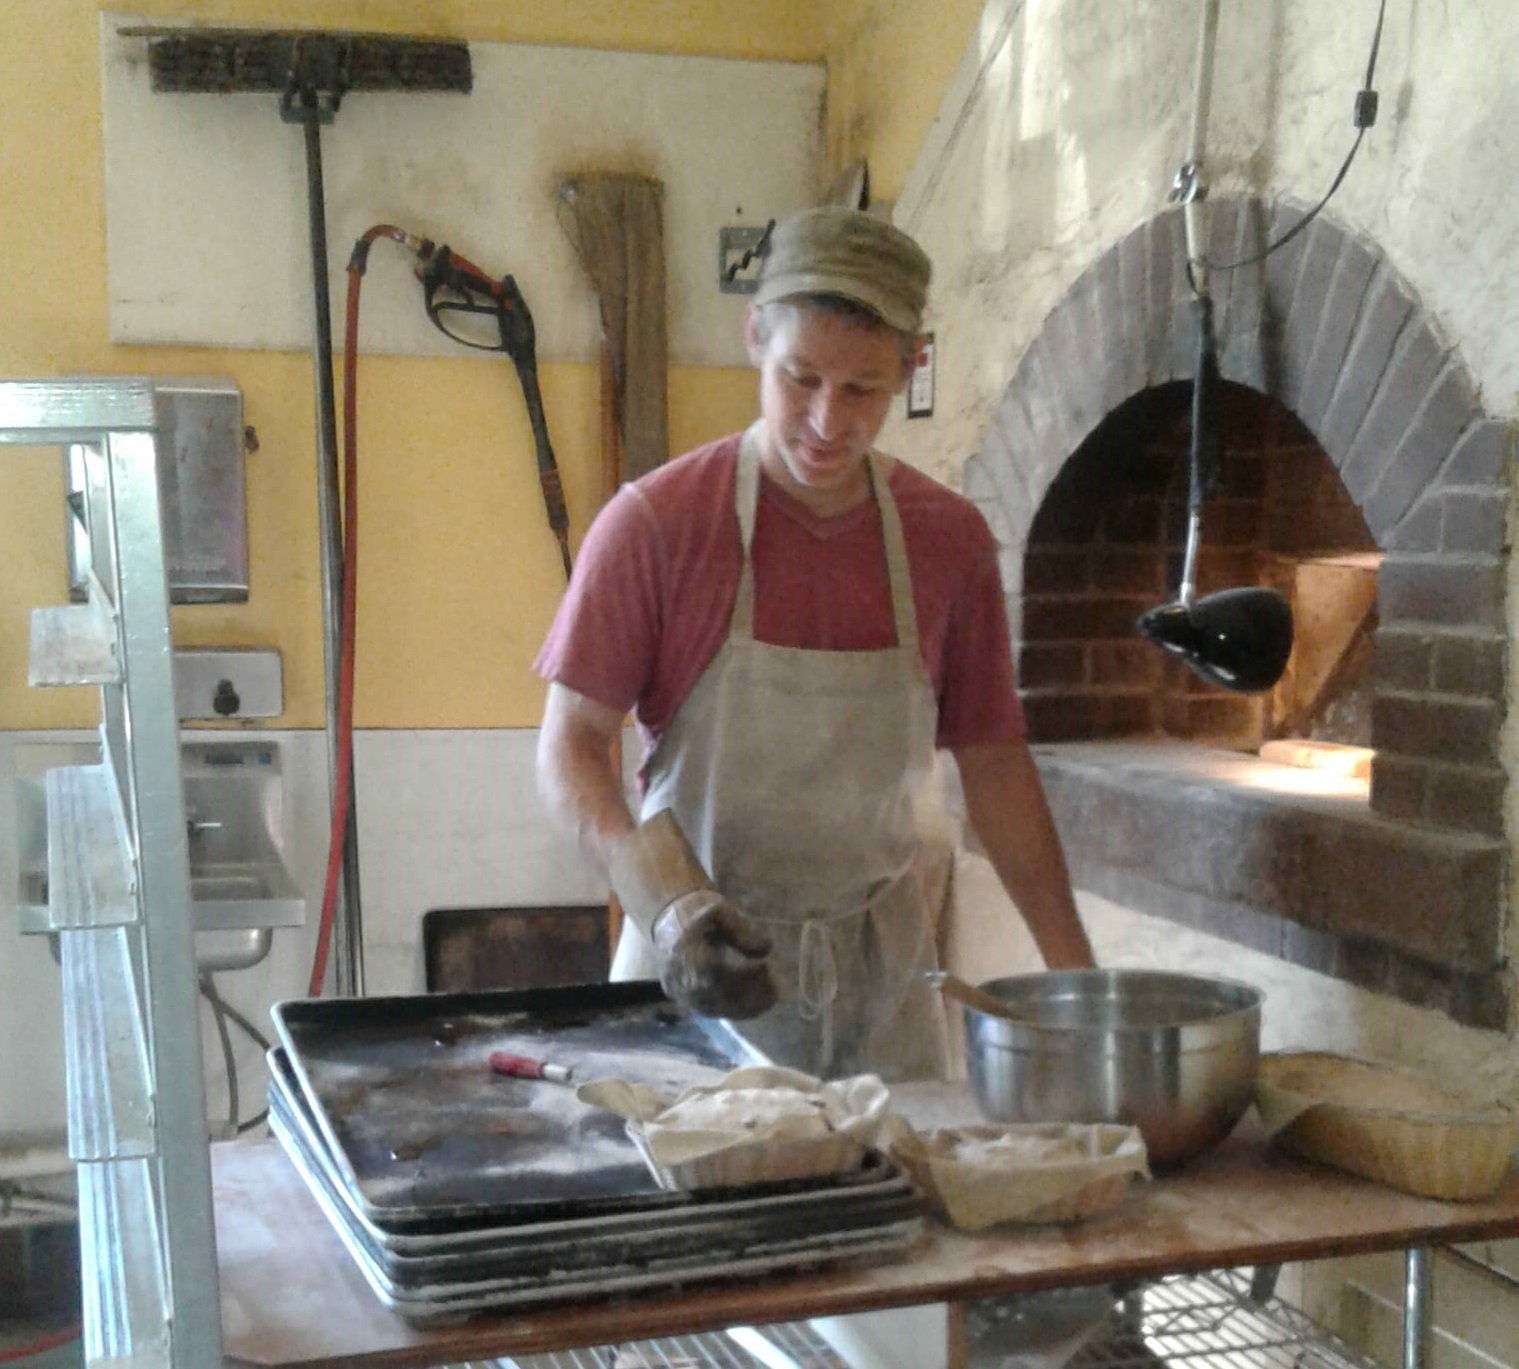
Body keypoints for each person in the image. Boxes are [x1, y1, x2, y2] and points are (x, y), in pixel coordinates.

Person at [535, 206, 1094, 1082]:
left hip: (882, 997)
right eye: (801, 378)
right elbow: (569, 748)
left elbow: (993, 768)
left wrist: (1078, 980)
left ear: (912, 365)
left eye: (863, 388)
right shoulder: (657, 525)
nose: (828, 421)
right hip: (698, 984)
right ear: (753, 336)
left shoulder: (946, 543)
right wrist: (668, 905)